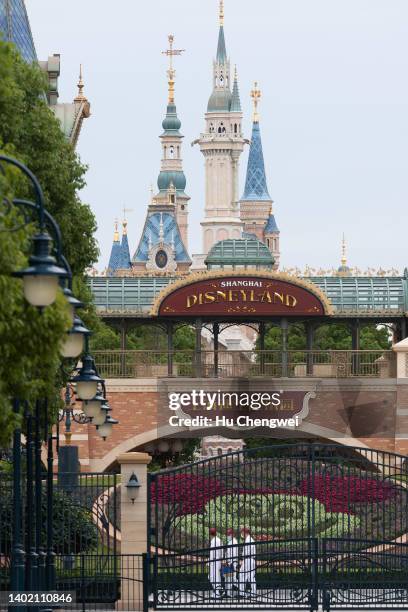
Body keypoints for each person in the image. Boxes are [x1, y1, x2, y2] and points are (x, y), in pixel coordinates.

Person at [239, 527, 257, 598]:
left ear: (244, 532)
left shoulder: (248, 540)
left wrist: (243, 560)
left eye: (242, 532)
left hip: (248, 560)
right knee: (251, 577)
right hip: (250, 560)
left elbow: (246, 552)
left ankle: (242, 593)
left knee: (242, 575)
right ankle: (253, 593)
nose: (241, 533)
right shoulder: (249, 539)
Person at [224, 528, 239, 597]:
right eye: (227, 534)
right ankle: (227, 592)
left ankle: (242, 591)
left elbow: (234, 554)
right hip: (229, 563)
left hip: (232, 563)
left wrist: (232, 563)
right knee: (228, 578)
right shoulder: (230, 541)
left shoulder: (234, 542)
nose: (227, 536)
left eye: (229, 534)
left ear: (232, 534)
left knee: (232, 579)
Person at [209, 527, 223, 598]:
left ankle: (217, 592)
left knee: (213, 577)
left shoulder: (213, 541)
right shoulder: (219, 540)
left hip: (214, 561)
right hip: (218, 560)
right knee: (216, 577)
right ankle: (219, 591)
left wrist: (210, 561)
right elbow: (222, 552)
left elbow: (212, 553)